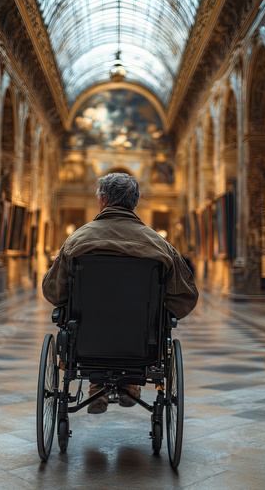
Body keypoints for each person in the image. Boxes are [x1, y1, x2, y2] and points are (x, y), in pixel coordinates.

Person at [42, 172, 199, 413]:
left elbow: (54, 293)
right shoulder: (159, 245)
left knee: (90, 326)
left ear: (103, 201)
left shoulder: (76, 241)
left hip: (87, 345)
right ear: (134, 203)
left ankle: (97, 386)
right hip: (142, 345)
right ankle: (130, 383)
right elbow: (185, 297)